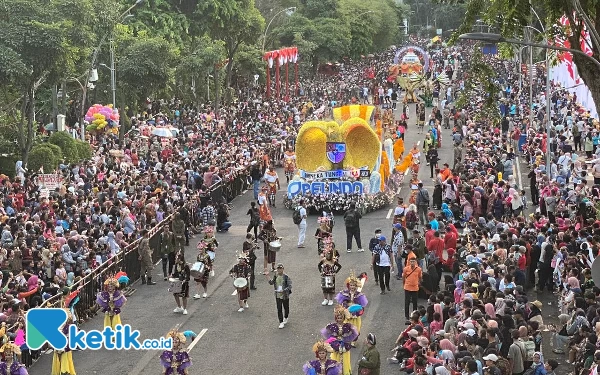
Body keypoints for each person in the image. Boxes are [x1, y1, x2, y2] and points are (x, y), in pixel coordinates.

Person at [321, 306, 358, 375]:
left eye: (341, 318)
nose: (339, 319)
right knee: (335, 361)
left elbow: (354, 333)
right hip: (335, 346)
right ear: (336, 318)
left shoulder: (347, 326)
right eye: (338, 318)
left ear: (343, 318)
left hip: (345, 346)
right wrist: (333, 340)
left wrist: (346, 338)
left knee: (345, 362)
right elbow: (327, 333)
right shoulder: (333, 326)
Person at [336, 271, 368, 344]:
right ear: (348, 285)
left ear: (356, 286)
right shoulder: (345, 293)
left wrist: (357, 310)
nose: (352, 287)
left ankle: (354, 340)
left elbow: (361, 306)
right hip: (347, 312)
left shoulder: (359, 295)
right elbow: (342, 303)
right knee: (347, 327)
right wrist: (346, 308)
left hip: (355, 314)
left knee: (356, 327)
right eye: (351, 285)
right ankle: (347, 339)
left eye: (354, 285)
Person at [51, 309, 76, 375]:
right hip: (63, 347)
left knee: (65, 364)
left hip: (65, 347)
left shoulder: (67, 326)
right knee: (63, 365)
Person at [268, 263, 292, 329]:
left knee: (286, 307)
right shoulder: (276, 276)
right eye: (278, 269)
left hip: (284, 295)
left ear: (283, 269)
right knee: (279, 308)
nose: (279, 270)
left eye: (280, 269)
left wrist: (284, 290)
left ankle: (286, 317)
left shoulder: (286, 277)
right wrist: (267, 276)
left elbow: (290, 286)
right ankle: (281, 322)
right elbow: (271, 283)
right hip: (278, 295)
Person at [403, 258, 422, 324]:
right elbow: (403, 277)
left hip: (415, 288)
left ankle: (414, 316)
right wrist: (404, 285)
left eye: (413, 261)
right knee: (407, 302)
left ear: (416, 262)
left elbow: (420, 277)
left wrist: (418, 283)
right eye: (411, 262)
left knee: (415, 302)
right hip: (407, 287)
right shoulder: (406, 269)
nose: (412, 263)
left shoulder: (419, 269)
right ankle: (407, 316)